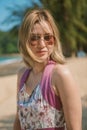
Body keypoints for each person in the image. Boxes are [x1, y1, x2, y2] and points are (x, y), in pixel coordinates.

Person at [13, 9, 82, 130]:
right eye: (34, 38)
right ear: (25, 41)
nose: (42, 44)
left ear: (54, 39)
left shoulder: (60, 75)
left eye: (47, 37)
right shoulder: (22, 75)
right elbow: (19, 120)